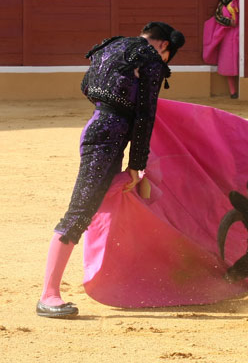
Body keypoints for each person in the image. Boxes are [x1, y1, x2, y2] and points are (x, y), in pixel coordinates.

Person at [36, 21, 185, 318]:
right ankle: (48, 295)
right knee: (80, 210)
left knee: (101, 199)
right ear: (165, 46)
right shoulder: (151, 60)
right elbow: (145, 116)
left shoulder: (110, 46)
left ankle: (118, 275)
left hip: (96, 126)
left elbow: (86, 86)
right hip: (108, 136)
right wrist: (136, 166)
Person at [202, 0, 248, 99]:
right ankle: (233, 91)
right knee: (229, 61)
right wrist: (229, 22)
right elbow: (218, 16)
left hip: (244, 33)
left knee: (243, 61)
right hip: (228, 33)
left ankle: (244, 91)